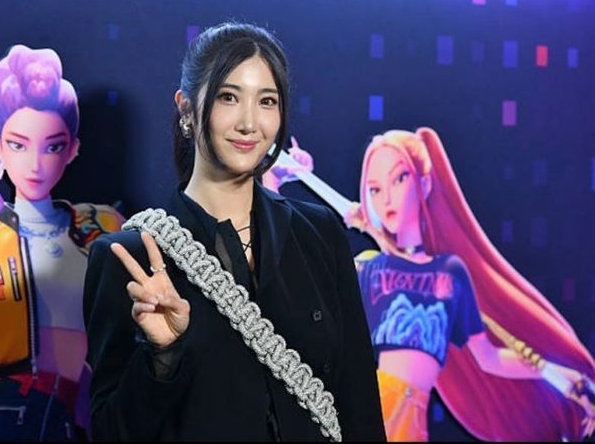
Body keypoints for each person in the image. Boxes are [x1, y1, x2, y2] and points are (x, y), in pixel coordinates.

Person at [82, 22, 386, 442]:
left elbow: (359, 407)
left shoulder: (319, 234)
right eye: (229, 97)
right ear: (187, 109)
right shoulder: (129, 257)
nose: (249, 123)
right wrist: (162, 356)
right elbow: (111, 433)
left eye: (267, 101)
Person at [265, 129, 595, 442]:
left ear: (424, 183)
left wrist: (561, 377)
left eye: (399, 179)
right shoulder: (370, 269)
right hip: (373, 409)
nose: (387, 199)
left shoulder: (449, 273)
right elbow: (293, 277)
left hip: (412, 422)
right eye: (375, 189)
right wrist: (274, 181)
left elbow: (489, 358)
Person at [0, 44, 123, 441]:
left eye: (52, 146)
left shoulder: (105, 227)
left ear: (72, 149)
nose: (35, 164)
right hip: (9, 425)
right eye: (18, 144)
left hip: (99, 420)